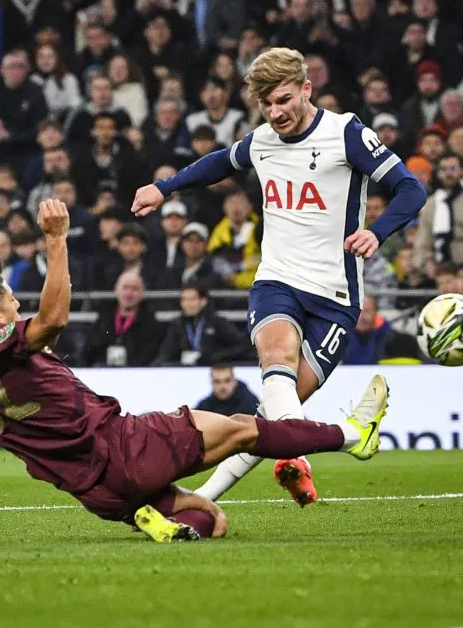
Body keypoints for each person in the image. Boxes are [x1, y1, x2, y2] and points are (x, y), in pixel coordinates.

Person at [0, 199, 390, 543]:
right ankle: (352, 434)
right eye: (8, 297)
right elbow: (52, 320)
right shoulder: (1, 345)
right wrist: (55, 239)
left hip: (97, 493)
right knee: (246, 428)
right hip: (123, 447)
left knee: (212, 521)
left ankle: (156, 522)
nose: (16, 300)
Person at [132, 47, 425, 506]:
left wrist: (377, 232)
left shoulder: (345, 133)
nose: (275, 113)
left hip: (334, 295)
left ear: (307, 89)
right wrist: (163, 187)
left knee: (271, 416)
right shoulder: (263, 140)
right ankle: (297, 465)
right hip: (277, 281)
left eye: (283, 100)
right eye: (266, 105)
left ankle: (208, 495)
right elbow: (218, 163)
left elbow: (411, 187)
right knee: (276, 354)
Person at [155, 283, 252, 366]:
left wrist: (214, 357)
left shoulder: (217, 322)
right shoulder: (177, 324)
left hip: (214, 370)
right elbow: (166, 352)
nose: (187, 304)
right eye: (184, 299)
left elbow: (241, 346)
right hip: (184, 371)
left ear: (203, 301)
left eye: (192, 299)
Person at [194, 364, 260, 417]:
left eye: (227, 381)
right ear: (211, 383)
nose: (222, 386)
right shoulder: (204, 407)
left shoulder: (251, 404)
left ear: (234, 381)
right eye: (217, 381)